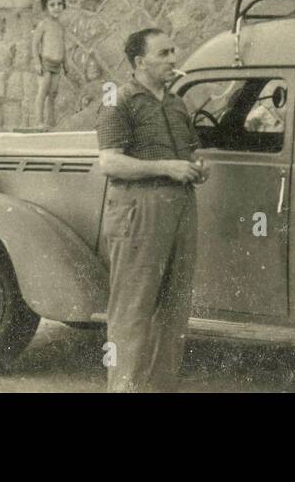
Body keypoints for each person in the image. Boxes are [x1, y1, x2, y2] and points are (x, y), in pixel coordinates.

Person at [95, 28, 207, 392]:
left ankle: (159, 387)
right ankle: (123, 387)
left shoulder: (176, 103)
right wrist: (166, 167)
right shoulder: (119, 100)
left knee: (174, 307)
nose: (173, 59)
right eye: (164, 53)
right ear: (140, 62)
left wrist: (195, 166)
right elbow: (110, 163)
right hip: (139, 210)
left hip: (180, 207)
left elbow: (189, 152)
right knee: (132, 307)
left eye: (173, 51)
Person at [30, 0, 67, 128]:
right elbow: (34, 44)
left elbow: (63, 46)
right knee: (43, 91)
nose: (56, 7)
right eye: (52, 5)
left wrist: (66, 63)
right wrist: (37, 63)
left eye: (59, 4)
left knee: (53, 93)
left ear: (63, 5)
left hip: (57, 66)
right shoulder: (43, 24)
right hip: (45, 64)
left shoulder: (61, 26)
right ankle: (39, 121)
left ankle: (50, 121)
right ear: (46, 7)